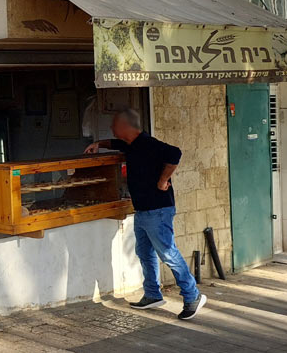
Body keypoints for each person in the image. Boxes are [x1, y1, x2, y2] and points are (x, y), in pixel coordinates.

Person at [85, 108, 206, 320]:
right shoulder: (129, 144)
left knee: (168, 253)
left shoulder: (148, 144)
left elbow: (175, 153)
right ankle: (152, 294)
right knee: (144, 253)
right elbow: (114, 144)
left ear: (125, 126)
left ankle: (192, 295)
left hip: (157, 210)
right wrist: (98, 144)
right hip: (142, 211)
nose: (112, 129)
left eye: (115, 125)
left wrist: (162, 180)